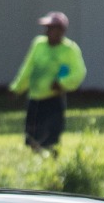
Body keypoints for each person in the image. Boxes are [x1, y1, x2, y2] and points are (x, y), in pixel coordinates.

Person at [10, 11, 86, 151]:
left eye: (52, 28)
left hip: (53, 100)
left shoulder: (69, 49)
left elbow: (78, 72)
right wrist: (17, 88)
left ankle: (51, 164)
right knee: (32, 137)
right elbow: (28, 67)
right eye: (47, 28)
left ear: (61, 31)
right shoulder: (39, 44)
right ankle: (37, 166)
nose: (47, 31)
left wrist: (62, 83)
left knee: (51, 138)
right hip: (35, 98)